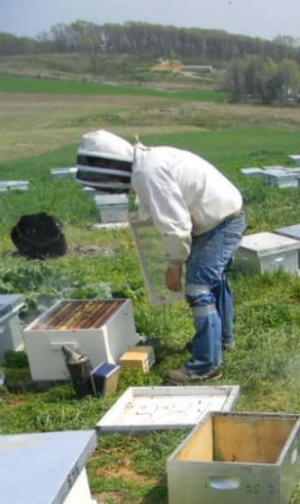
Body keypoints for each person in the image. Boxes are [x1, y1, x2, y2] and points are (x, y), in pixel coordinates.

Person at [75, 129, 245, 383]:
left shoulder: (148, 172)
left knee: (198, 289)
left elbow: (175, 225)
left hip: (219, 224)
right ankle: (221, 340)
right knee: (213, 281)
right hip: (219, 219)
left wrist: (174, 263)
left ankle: (206, 366)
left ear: (111, 161)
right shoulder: (148, 162)